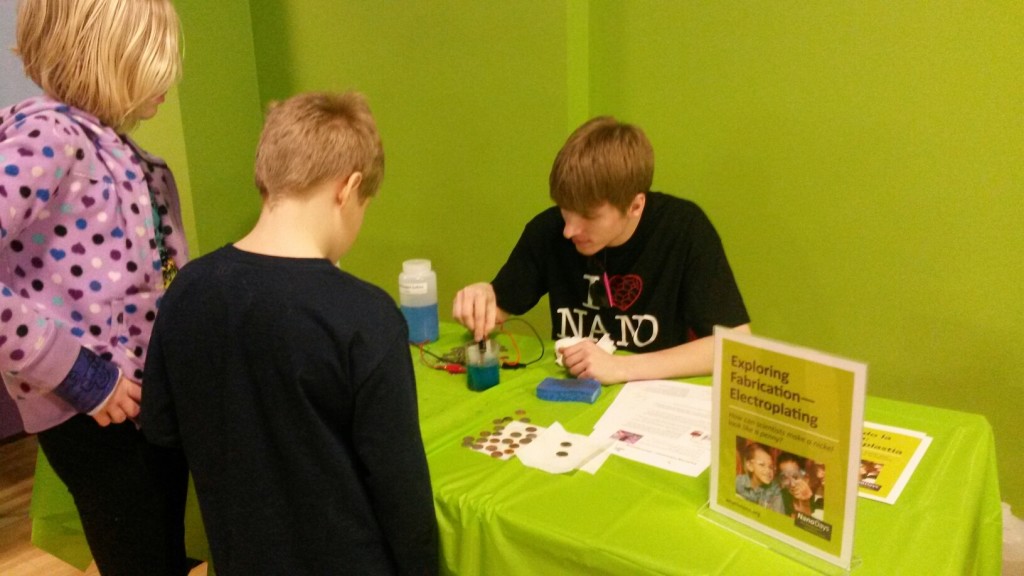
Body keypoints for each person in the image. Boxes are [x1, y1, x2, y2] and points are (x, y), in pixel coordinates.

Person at [140, 91, 439, 575]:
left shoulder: (185, 292)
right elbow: (400, 490)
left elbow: (162, 429)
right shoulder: (367, 317)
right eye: (364, 204)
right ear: (349, 188)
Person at [1, 1, 191, 574]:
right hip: (91, 408)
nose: (169, 76)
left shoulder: (131, 158)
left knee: (162, 545)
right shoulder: (49, 140)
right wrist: (79, 373)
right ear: (104, 56)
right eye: (153, 60)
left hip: (141, 402)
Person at [452, 116, 750, 383]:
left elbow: (737, 348)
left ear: (635, 206)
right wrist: (482, 299)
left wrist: (621, 368)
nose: (569, 230)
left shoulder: (684, 230)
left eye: (589, 217)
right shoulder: (548, 231)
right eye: (565, 210)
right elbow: (498, 308)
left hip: (653, 403)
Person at [735, 442, 784, 513]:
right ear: (750, 466)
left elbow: (779, 518)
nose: (768, 471)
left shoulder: (775, 491)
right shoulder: (738, 482)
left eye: (770, 467)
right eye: (762, 465)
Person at [776, 452, 814, 518]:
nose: (792, 484)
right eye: (785, 478)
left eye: (795, 477)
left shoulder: (814, 500)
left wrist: (805, 503)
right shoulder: (779, 498)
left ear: (805, 478)